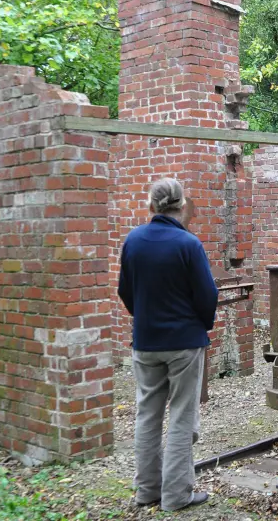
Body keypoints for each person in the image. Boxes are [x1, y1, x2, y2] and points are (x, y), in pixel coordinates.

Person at [118, 178, 218, 511]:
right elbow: (208, 296)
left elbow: (125, 292)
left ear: (152, 205)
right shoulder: (188, 244)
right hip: (184, 345)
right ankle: (176, 496)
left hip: (145, 344)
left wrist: (144, 318)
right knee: (181, 416)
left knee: (147, 415)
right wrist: (200, 326)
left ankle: (147, 491)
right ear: (181, 205)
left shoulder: (133, 241)